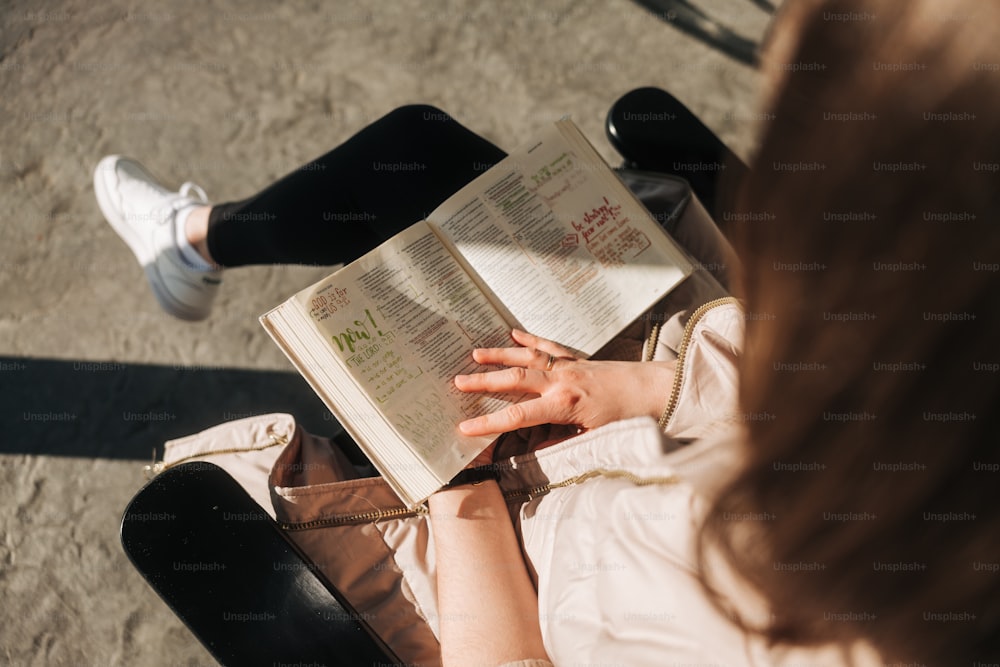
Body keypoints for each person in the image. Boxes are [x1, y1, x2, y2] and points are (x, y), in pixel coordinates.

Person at [95, 0, 999, 663]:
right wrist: (640, 390)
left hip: (499, 556)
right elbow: (821, 384)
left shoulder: (791, 624)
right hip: (623, 407)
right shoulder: (931, 390)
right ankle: (193, 240)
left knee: (408, 204)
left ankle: (188, 243)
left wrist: (462, 495)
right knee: (422, 162)